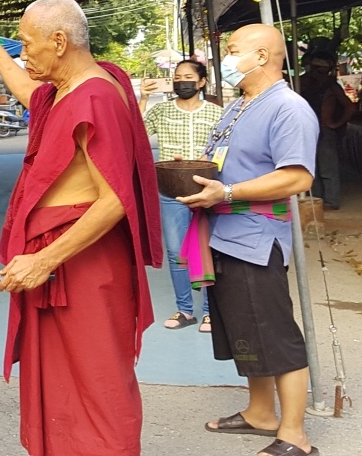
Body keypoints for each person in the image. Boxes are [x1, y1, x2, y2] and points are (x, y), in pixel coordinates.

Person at [0, 0, 161, 456]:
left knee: (98, 383)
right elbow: (27, 92)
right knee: (60, 380)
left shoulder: (97, 96)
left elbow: (117, 198)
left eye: (27, 44)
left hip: (82, 263)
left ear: (59, 41)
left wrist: (44, 259)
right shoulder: (65, 90)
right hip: (59, 259)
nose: (23, 54)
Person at [179, 24, 318, 456]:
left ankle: (295, 434)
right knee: (245, 329)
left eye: (233, 49)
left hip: (256, 238)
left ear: (261, 56)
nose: (225, 56)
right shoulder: (239, 105)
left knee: (274, 334)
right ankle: (261, 412)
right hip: (223, 233)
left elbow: (297, 176)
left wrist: (228, 192)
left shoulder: (288, 108)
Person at [140, 60, 223, 331]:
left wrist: (205, 160)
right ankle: (185, 311)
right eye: (177, 77)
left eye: (188, 77)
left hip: (207, 190)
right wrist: (142, 98)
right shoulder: (161, 110)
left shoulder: (217, 113)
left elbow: (226, 148)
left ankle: (212, 312)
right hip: (171, 192)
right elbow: (137, 134)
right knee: (177, 253)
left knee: (210, 249)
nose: (182, 81)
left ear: (201, 82)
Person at [298, 41, 353, 211]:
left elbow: (350, 106)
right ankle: (317, 199)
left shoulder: (331, 86)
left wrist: (335, 124)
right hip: (306, 130)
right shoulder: (302, 83)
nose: (317, 73)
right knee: (310, 167)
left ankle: (330, 200)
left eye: (321, 70)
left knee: (327, 166)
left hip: (324, 130)